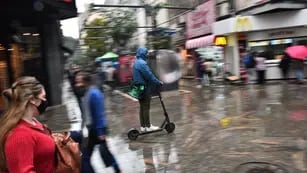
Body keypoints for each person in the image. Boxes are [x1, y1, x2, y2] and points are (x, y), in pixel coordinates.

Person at [0, 76, 55, 173]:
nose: (45, 101)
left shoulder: (34, 124)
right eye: (43, 97)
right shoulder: (19, 136)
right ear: (32, 100)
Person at [74, 72, 121, 173]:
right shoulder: (86, 93)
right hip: (92, 129)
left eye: (79, 82)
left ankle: (117, 169)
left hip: (97, 130)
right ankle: (117, 169)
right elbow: (86, 114)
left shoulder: (94, 93)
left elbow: (99, 113)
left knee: (94, 154)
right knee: (89, 154)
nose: (77, 84)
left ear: (85, 82)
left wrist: (100, 132)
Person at [132, 47, 163, 132]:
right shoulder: (142, 63)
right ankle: (148, 126)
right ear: (143, 54)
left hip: (137, 88)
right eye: (146, 53)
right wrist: (158, 82)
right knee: (146, 107)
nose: (146, 55)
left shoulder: (135, 63)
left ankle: (143, 126)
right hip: (144, 88)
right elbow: (149, 76)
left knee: (142, 107)